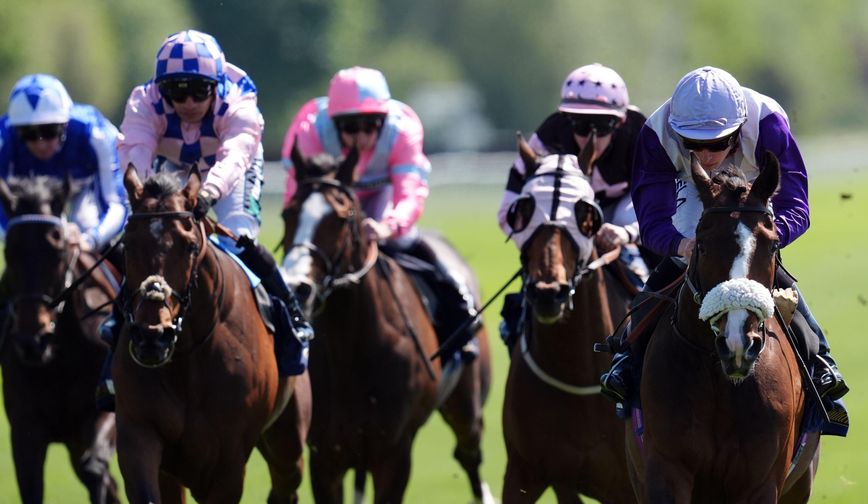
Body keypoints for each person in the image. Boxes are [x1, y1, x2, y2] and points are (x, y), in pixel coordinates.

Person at [598, 66, 848, 429]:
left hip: (754, 187)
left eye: (716, 143)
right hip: (690, 187)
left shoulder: (767, 123)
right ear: (677, 132)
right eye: (692, 144)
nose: (705, 154)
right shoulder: (656, 135)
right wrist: (684, 246)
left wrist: (764, 241)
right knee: (675, 265)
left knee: (769, 272)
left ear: (739, 128)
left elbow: (796, 205)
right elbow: (652, 221)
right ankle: (628, 357)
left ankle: (821, 361)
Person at [97, 30, 313, 409]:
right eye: (176, 92)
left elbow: (235, 155)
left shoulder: (240, 101)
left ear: (216, 87)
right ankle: (119, 327)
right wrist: (145, 199)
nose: (188, 102)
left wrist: (208, 194)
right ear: (161, 90)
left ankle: (290, 318)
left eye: (199, 91)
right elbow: (136, 150)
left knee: (239, 239)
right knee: (148, 243)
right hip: (170, 170)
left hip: (230, 171)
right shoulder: (143, 102)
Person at [281, 66, 479, 363]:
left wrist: (389, 226)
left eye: (372, 125)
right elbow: (298, 196)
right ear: (334, 123)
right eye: (351, 127)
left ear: (384, 121)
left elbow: (409, 192)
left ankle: (458, 304)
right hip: (333, 207)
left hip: (380, 200)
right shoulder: (310, 130)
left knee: (403, 241)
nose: (362, 136)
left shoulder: (402, 132)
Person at [496, 63, 652, 348]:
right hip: (569, 216)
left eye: (602, 126)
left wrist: (625, 234)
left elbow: (661, 206)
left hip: (627, 207)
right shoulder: (549, 136)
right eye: (580, 125)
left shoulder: (641, 135)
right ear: (567, 120)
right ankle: (516, 320)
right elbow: (506, 212)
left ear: (619, 122)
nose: (590, 137)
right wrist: (535, 243)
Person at [0, 73, 127, 255]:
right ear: (15, 130)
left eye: (49, 131)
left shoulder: (95, 134)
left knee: (85, 222)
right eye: (29, 134)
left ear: (65, 125)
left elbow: (116, 204)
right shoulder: (3, 140)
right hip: (32, 199)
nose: (40, 143)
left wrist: (90, 240)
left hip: (84, 192)